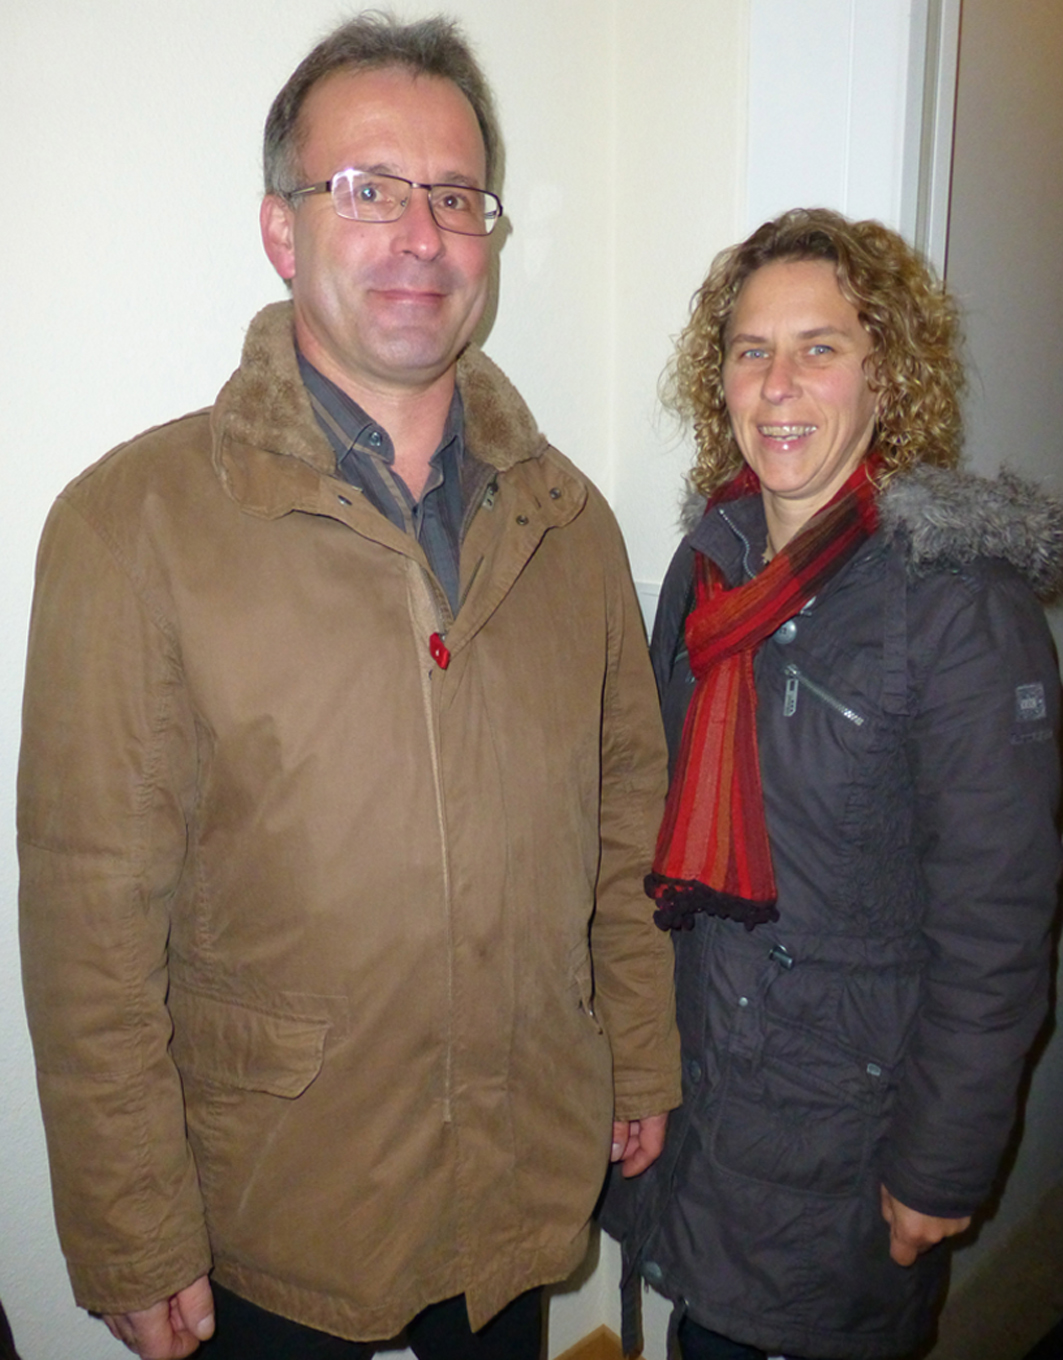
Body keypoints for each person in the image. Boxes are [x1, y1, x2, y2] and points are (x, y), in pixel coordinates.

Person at [17, 14, 680, 1360]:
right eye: (368, 190)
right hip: (274, 1206)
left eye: (455, 196)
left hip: (519, 1168)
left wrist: (639, 1051)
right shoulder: (132, 525)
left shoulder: (568, 524)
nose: (420, 236)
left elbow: (625, 825)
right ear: (282, 229)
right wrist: (131, 1225)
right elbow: (89, 920)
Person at [605, 207, 1062, 1360]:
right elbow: (650, 832)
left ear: (884, 373)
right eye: (750, 350)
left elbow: (997, 924)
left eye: (820, 348)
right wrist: (633, 1060)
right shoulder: (708, 563)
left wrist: (940, 1163)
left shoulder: (959, 606)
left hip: (842, 1141)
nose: (778, 385)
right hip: (704, 1101)